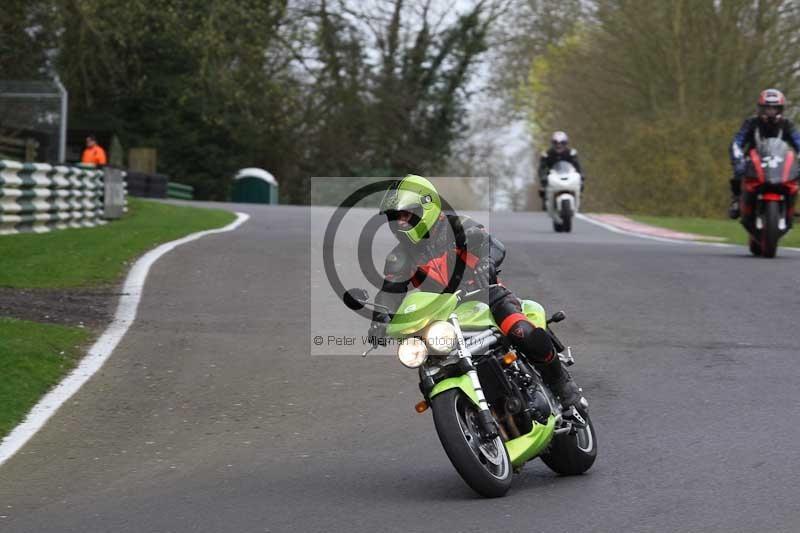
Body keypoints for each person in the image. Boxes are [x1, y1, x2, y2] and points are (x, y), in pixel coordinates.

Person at [368, 174, 585, 408]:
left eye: (405, 215)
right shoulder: (399, 257)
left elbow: (492, 244)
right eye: (395, 218)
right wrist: (380, 319)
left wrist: (486, 262)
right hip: (442, 316)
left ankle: (561, 383)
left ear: (426, 207)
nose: (400, 223)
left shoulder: (457, 227)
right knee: (428, 363)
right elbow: (389, 293)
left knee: (520, 331)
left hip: (486, 296)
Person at [728, 89, 800, 219]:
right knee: (739, 171)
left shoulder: (787, 124)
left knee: (796, 175)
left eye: (774, 108)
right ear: (761, 108)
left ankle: (794, 204)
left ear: (780, 109)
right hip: (754, 162)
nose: (771, 112)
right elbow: (737, 141)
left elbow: (798, 141)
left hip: (779, 163)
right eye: (767, 108)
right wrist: (738, 157)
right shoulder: (751, 123)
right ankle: (736, 201)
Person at [537, 131, 583, 206]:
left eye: (562, 143)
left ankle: (577, 201)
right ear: (552, 143)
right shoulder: (547, 154)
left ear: (566, 143)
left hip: (569, 177)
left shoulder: (571, 153)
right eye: (556, 143)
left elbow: (578, 166)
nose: (559, 145)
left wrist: (581, 176)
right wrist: (543, 177)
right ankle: (547, 203)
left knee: (580, 186)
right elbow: (542, 168)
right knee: (543, 189)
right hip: (552, 178)